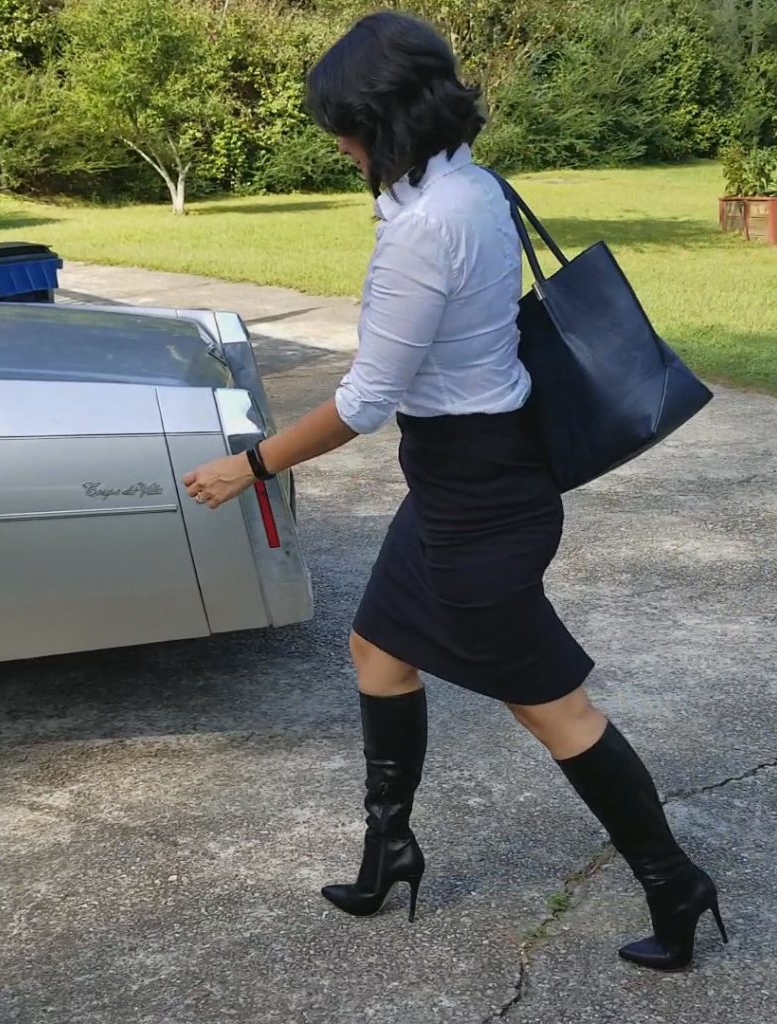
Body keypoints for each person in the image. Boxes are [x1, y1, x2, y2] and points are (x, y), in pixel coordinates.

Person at [183, 11, 727, 972]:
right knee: (377, 648)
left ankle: (674, 881)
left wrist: (253, 463)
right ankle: (390, 848)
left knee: (554, 710)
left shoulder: (424, 229)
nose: (340, 148)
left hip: (481, 497)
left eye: (347, 130)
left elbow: (365, 401)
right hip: (460, 477)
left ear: (384, 122)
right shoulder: (470, 184)